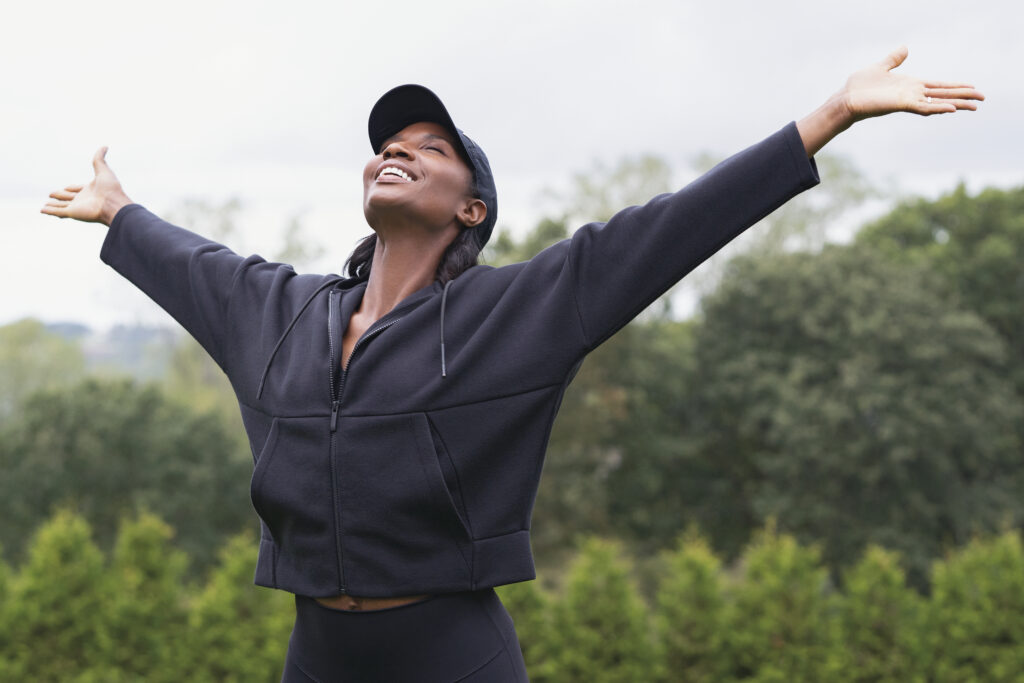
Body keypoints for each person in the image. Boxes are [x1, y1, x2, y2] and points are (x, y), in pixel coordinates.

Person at [42, 47, 982, 682]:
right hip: (318, 652)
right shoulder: (284, 315)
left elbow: (673, 229)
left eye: (430, 147)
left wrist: (829, 116)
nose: (396, 151)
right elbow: (195, 266)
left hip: (450, 648)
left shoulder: (517, 311)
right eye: (386, 146)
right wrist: (120, 212)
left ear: (471, 210)